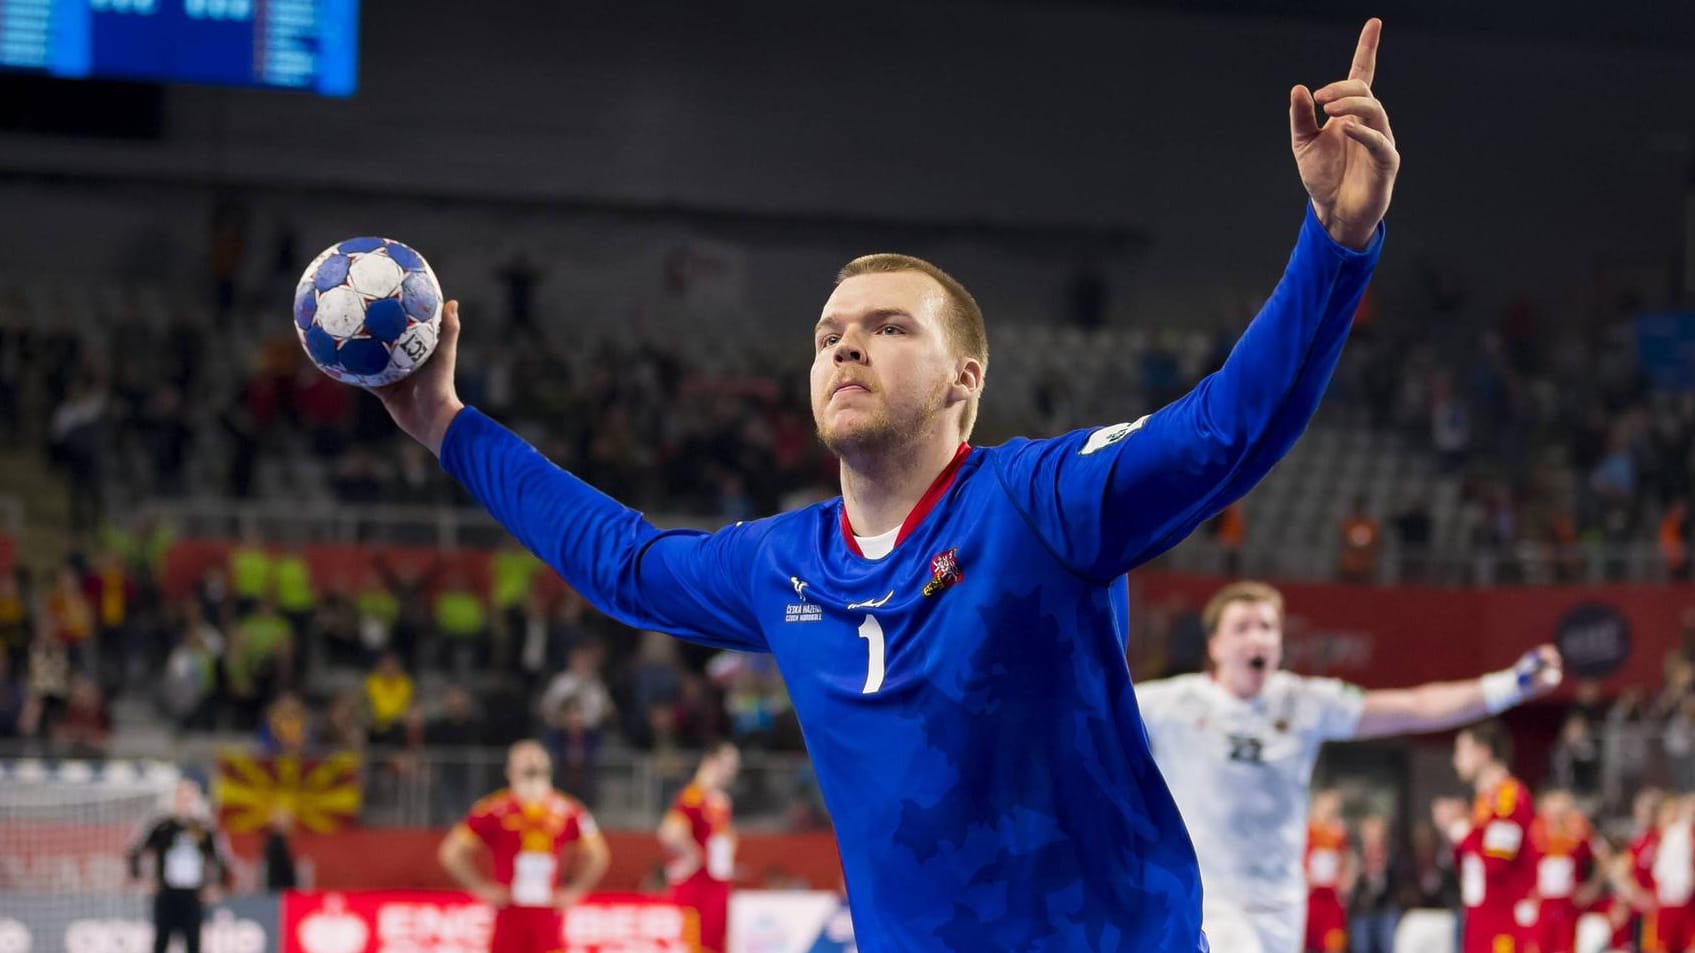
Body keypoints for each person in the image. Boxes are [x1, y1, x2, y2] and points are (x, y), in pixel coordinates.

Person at [377, 20, 1400, 949]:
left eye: (886, 326)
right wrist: (447, 427)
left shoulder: (1037, 502)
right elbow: (625, 562)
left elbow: (1229, 427)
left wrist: (1337, 244)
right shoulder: (784, 562)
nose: (844, 346)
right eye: (827, 334)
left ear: (968, 378)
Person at [1135, 582, 1562, 953]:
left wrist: (1512, 685)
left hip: (1282, 901)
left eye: (1267, 627)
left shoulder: (1304, 702)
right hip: (1210, 897)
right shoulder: (1169, 703)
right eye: (1242, 628)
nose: (1257, 638)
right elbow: (1084, 715)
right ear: (1215, 646)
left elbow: (1414, 708)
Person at [438, 740, 610, 953]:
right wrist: (480, 887)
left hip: (549, 916)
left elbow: (599, 854)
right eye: (524, 759)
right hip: (509, 914)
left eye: (535, 759)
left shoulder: (568, 810)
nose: (530, 762)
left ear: (548, 767)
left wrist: (576, 890)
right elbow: (451, 852)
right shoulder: (493, 810)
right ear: (510, 770)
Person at [1433, 720, 1538, 953]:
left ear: (1483, 752)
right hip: (1479, 918)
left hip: (1503, 922)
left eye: (1461, 751)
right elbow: (1469, 866)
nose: (1455, 760)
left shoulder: (1509, 798)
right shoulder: (1483, 802)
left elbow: (1495, 864)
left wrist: (1460, 828)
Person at [127, 778, 232, 953]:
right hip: (166, 894)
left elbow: (222, 858)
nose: (184, 803)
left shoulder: (204, 827)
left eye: (189, 798)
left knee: (193, 943)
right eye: (180, 798)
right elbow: (134, 850)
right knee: (161, 942)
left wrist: (217, 886)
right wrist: (140, 878)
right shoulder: (162, 825)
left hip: (193, 896)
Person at [658, 741, 741, 953]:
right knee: (694, 945)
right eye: (728, 764)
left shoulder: (720, 800)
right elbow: (669, 832)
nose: (732, 772)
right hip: (697, 886)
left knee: (714, 945)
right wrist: (692, 854)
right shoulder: (694, 795)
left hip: (717, 883)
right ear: (710, 762)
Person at [1527, 788, 1601, 953]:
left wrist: (1593, 887)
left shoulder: (1580, 831)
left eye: (1563, 810)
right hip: (1538, 906)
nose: (1558, 814)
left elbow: (1603, 857)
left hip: (1568, 906)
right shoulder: (1532, 832)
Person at [1304, 788, 1352, 953]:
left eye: (1334, 809)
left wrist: (1346, 881)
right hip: (1310, 897)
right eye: (1327, 807)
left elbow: (1346, 860)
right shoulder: (1306, 830)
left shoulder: (1339, 831)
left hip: (1332, 899)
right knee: (1306, 942)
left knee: (1334, 943)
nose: (1330, 812)